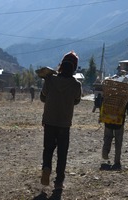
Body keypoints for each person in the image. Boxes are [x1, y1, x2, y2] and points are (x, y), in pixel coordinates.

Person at [40, 51, 82, 191]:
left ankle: (46, 168)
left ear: (61, 65)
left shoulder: (50, 79)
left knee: (48, 149)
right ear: (74, 67)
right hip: (64, 123)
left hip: (49, 121)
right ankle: (59, 181)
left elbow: (43, 97)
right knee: (62, 153)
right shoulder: (76, 84)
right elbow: (76, 101)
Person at [101, 96, 128, 171]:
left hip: (108, 120)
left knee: (107, 137)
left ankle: (105, 153)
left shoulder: (109, 93)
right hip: (119, 121)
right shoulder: (126, 95)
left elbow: (102, 104)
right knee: (118, 142)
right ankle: (117, 161)